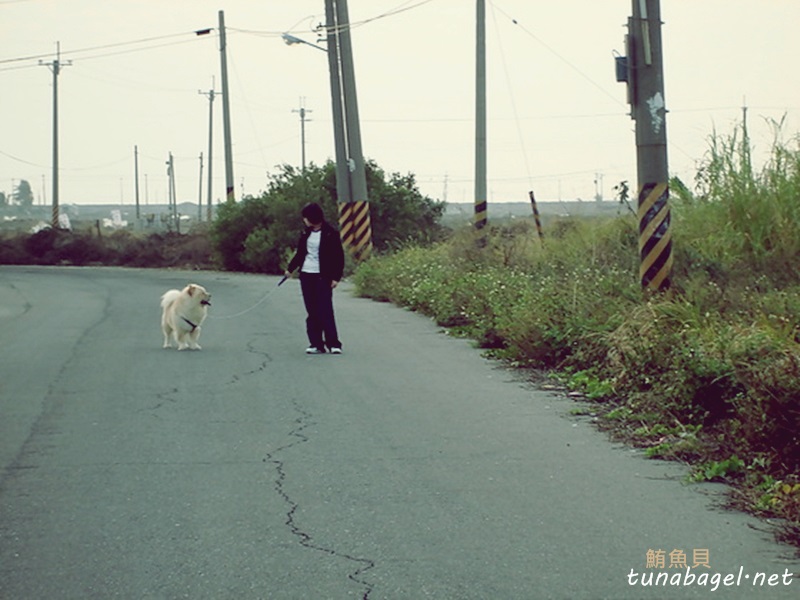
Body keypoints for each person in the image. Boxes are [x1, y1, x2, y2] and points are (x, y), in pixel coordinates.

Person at [285, 202, 345, 354]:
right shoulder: (305, 233)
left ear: (312, 217)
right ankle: (316, 344)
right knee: (312, 311)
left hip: (323, 276)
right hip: (306, 274)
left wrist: (336, 277)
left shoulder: (331, 233)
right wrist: (290, 269)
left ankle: (333, 344)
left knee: (325, 310)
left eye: (305, 217)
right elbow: (300, 254)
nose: (304, 220)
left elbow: (338, 257)